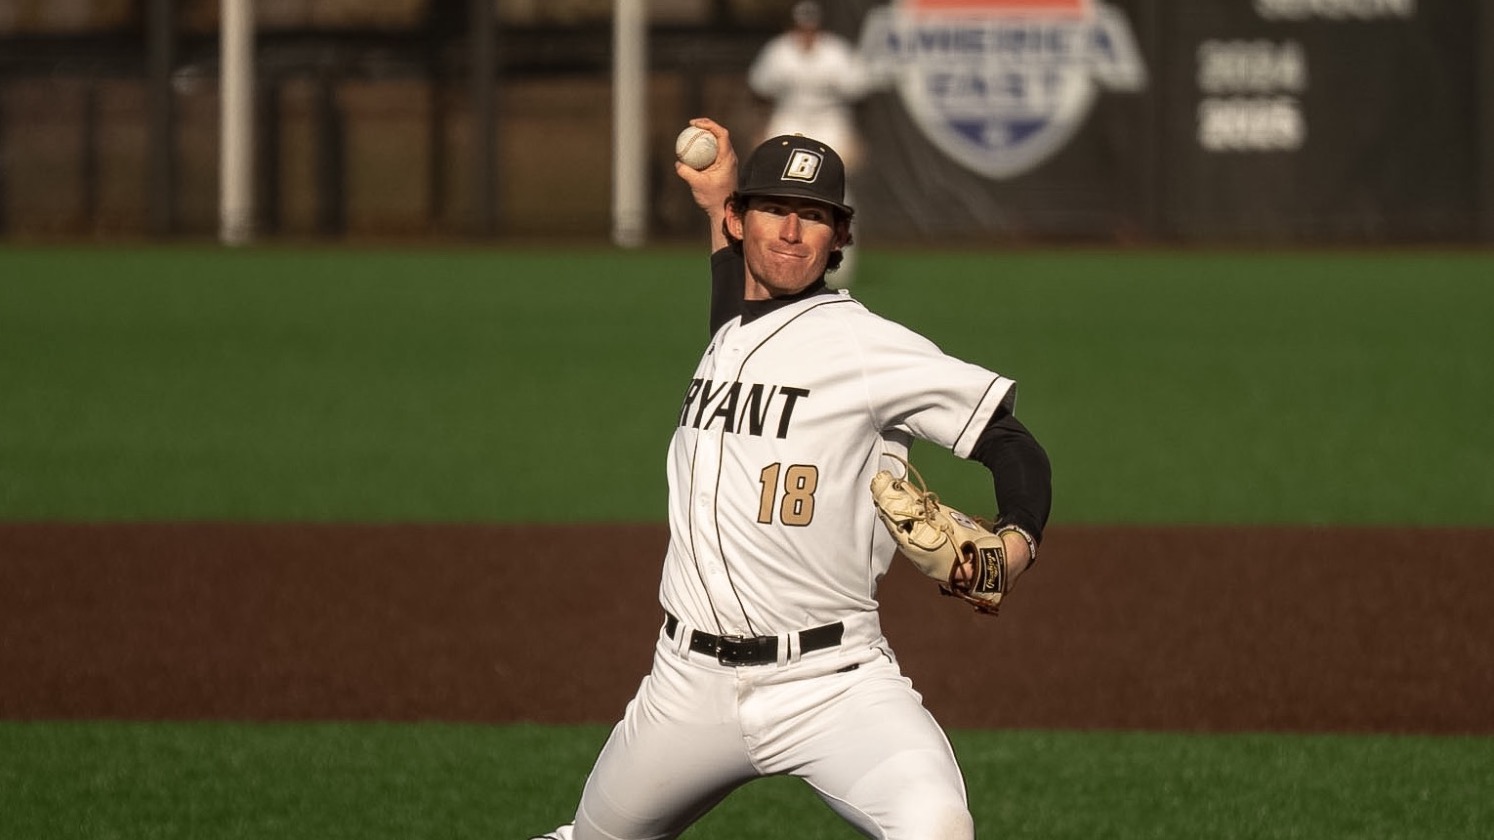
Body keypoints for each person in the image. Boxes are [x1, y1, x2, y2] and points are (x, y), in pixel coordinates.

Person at [526, 119, 1052, 840]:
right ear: (741, 221)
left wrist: (1016, 544)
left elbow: (1010, 441)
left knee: (936, 827)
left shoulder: (865, 347)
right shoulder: (730, 335)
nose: (793, 232)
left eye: (814, 217)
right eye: (775, 209)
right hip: (686, 684)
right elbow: (735, 312)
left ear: (840, 238)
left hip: (832, 682)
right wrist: (715, 196)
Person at [746, 0, 871, 288]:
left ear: (819, 27)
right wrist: (760, 129)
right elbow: (760, 93)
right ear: (794, 27)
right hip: (789, 120)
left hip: (830, 124)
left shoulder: (835, 52)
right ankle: (769, 257)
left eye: (811, 28)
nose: (806, 33)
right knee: (774, 190)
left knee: (842, 193)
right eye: (802, 28)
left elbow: (861, 96)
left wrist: (856, 136)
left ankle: (840, 261)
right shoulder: (779, 52)